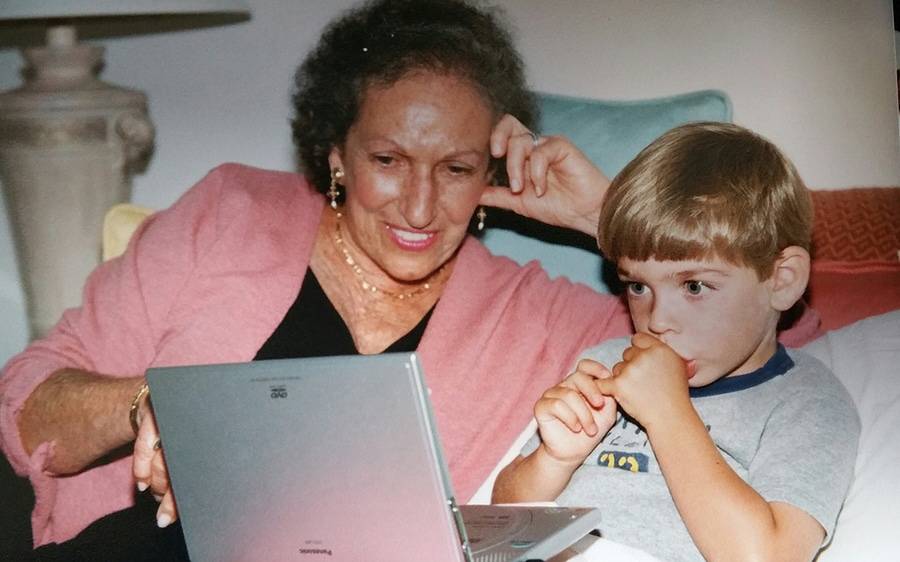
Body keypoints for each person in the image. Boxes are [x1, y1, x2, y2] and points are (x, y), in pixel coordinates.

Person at [0, 0, 635, 554]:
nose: (419, 208)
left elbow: (721, 347)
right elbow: (26, 407)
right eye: (388, 160)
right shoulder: (231, 212)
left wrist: (607, 217)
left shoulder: (537, 314)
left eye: (455, 169)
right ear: (336, 150)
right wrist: (151, 402)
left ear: (489, 173)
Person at [491, 122, 859, 562]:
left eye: (695, 287)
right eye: (638, 286)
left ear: (781, 280)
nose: (657, 320)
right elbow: (502, 515)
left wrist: (668, 412)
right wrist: (554, 458)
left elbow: (770, 557)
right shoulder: (608, 362)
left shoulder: (809, 401)